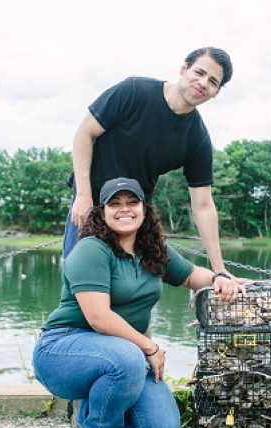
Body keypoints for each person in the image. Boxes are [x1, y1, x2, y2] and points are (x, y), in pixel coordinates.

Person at [34, 177, 240, 428]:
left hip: (121, 355)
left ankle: (91, 412)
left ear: (144, 208)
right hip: (63, 349)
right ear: (102, 212)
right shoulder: (91, 249)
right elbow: (99, 318)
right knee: (130, 358)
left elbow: (191, 275)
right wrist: (149, 347)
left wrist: (219, 279)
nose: (125, 209)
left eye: (133, 202)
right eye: (115, 204)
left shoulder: (151, 249)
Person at [62, 47, 235, 277]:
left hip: (135, 217)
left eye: (213, 81)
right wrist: (83, 196)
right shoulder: (133, 91)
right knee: (80, 287)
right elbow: (85, 133)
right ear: (184, 69)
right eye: (199, 72)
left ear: (216, 92)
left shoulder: (197, 138)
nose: (203, 83)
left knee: (135, 291)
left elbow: (203, 205)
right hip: (92, 206)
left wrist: (219, 269)